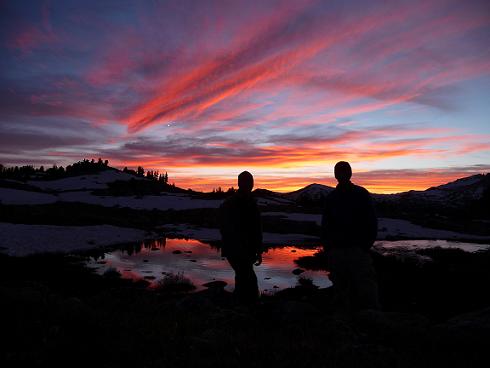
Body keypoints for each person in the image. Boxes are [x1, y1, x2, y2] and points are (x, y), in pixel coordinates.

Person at [321, 161, 380, 311]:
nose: (341, 174)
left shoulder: (359, 194)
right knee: (342, 288)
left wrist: (365, 246)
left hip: (355, 250)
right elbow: (326, 225)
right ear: (335, 175)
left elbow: (371, 222)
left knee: (364, 288)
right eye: (338, 171)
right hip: (339, 251)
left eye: (343, 171)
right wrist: (329, 248)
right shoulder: (333, 198)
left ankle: (370, 318)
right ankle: (348, 320)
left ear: (349, 173)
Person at [219, 171, 263, 303]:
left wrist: (258, 250)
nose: (249, 184)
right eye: (246, 181)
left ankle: (242, 308)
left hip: (248, 250)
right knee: (247, 279)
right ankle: (247, 309)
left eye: (250, 181)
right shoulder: (230, 203)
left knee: (244, 278)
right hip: (236, 250)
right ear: (239, 183)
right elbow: (225, 228)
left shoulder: (252, 203)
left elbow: (256, 229)